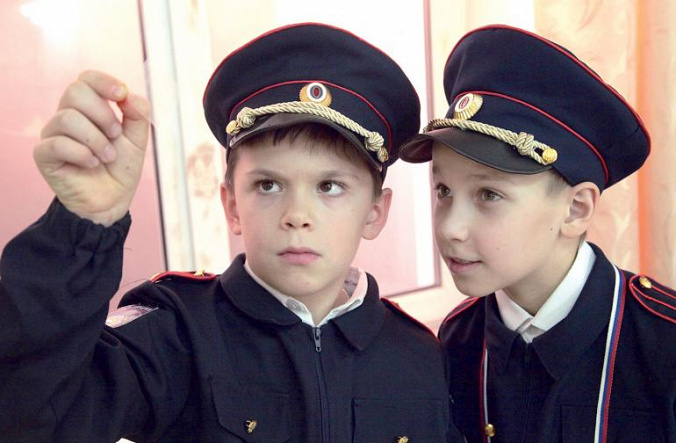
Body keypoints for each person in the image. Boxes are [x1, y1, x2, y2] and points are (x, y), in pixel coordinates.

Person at [0, 23, 458, 442]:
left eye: (329, 186)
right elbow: (30, 414)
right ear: (232, 205)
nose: (297, 216)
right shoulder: (178, 331)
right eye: (268, 185)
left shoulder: (418, 353)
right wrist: (82, 228)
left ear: (375, 213)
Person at [399, 25, 676, 443]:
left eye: (488, 194)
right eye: (443, 191)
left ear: (576, 209)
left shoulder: (663, 345)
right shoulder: (456, 341)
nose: (450, 228)